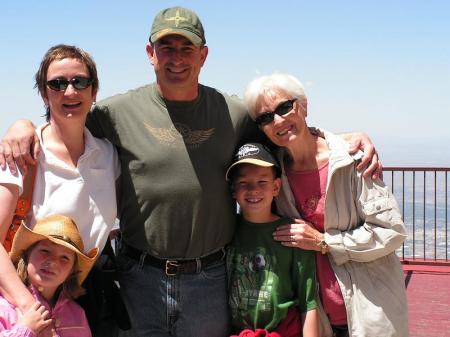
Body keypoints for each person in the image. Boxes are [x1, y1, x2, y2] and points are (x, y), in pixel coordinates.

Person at [0, 7, 382, 337]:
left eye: (187, 48)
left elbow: (282, 130)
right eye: (166, 47)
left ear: (204, 54)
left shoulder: (232, 113)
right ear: (151, 53)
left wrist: (337, 138)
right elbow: (66, 120)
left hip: (210, 279)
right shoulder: (116, 114)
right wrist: (22, 126)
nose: (176, 57)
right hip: (139, 277)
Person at [243, 73, 408, 337]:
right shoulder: (272, 173)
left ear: (304, 106)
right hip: (315, 319)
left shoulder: (354, 160)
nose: (278, 121)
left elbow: (390, 231)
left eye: (285, 107)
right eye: (265, 118)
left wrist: (323, 241)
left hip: (369, 313)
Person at [0, 44, 122, 336]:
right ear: (44, 93)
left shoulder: (108, 154)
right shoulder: (22, 154)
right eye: (57, 83)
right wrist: (29, 307)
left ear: (94, 92)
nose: (70, 91)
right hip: (30, 298)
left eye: (80, 81)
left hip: (89, 295)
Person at [226, 143, 319, 337]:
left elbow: (308, 302)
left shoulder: (294, 233)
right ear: (233, 190)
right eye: (244, 183)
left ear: (276, 187)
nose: (253, 190)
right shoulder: (226, 231)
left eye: (262, 182)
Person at [0, 214, 98, 336]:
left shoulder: (77, 315)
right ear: (27, 255)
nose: (53, 261)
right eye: (45, 251)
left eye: (64, 258)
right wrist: (25, 330)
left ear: (72, 271)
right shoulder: (4, 307)